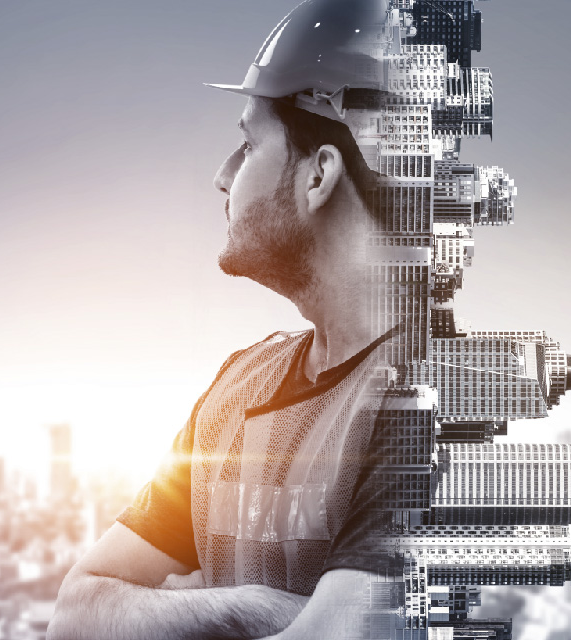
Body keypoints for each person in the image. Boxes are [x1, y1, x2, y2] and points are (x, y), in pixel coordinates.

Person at [47, 1, 394, 638]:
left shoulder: (440, 403)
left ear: (319, 174)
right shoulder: (239, 384)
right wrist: (242, 610)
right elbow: (76, 614)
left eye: (248, 142)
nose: (222, 175)